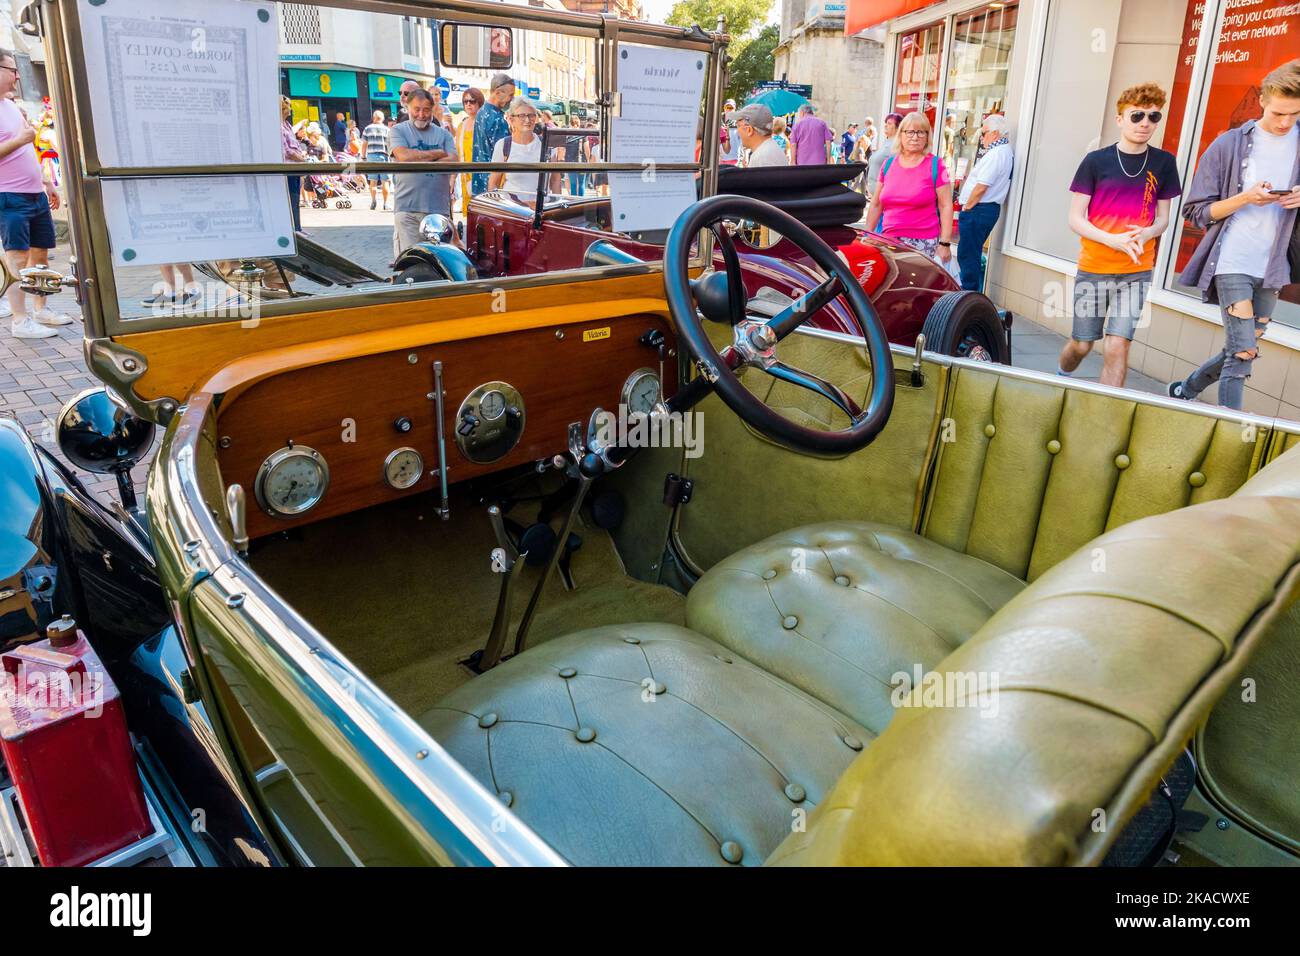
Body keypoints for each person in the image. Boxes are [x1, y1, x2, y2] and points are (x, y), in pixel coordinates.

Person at [1169, 59, 1300, 409]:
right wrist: (1244, 198)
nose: (1286, 122)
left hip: (1273, 268)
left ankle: (1185, 390)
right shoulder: (1228, 145)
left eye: (1294, 114)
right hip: (1232, 261)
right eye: (1278, 113)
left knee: (1240, 349)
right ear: (1262, 101)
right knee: (1243, 352)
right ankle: (1231, 431)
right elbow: (1196, 211)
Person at [1057, 83, 1181, 388]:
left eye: (1154, 117)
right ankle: (1061, 376)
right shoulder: (1096, 161)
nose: (1145, 124)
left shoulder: (1164, 162)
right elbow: (1075, 218)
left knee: (1117, 345)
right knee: (1082, 345)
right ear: (1120, 119)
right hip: (1096, 267)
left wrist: (1149, 231)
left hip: (1137, 270)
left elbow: (1164, 218)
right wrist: (1112, 239)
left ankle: (1105, 414)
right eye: (1137, 116)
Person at [0, 49, 70, 338]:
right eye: (12, 69)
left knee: (40, 254)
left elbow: (30, 147)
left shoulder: (11, 106)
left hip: (35, 194)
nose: (18, 76)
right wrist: (19, 139)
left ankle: (41, 309)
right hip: (9, 196)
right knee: (16, 259)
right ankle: (20, 320)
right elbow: (22, 141)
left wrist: (46, 181)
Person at [863, 111, 954, 270]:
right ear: (901, 135)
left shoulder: (935, 165)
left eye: (921, 132)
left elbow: (946, 205)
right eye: (910, 131)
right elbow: (876, 204)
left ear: (927, 137)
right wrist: (868, 234)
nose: (915, 136)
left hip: (922, 244)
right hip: (889, 241)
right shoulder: (889, 164)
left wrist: (945, 243)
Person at [389, 88, 458, 257]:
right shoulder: (398, 131)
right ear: (408, 108)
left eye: (426, 109)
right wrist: (437, 154)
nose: (421, 114)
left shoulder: (443, 134)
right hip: (408, 209)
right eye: (417, 109)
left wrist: (417, 158)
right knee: (410, 261)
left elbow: (454, 161)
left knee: (440, 261)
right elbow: (403, 156)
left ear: (433, 109)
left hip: (438, 209)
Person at [955, 114, 1014, 292]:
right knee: (970, 254)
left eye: (984, 132)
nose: (982, 137)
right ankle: (970, 293)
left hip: (978, 210)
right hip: (982, 210)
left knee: (967, 255)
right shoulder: (1001, 152)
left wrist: (967, 206)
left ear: (995, 133)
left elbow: (982, 187)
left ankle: (968, 296)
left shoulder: (997, 154)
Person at [488, 97, 562, 198]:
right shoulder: (503, 145)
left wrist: (557, 205)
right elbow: (493, 182)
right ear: (511, 119)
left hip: (542, 207)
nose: (527, 120)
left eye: (531, 115)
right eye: (522, 116)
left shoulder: (547, 145)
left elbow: (555, 180)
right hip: (514, 209)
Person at [472, 73, 515, 194]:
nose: (512, 99)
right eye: (510, 95)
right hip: (494, 184)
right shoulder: (497, 119)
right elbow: (505, 155)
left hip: (480, 180)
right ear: (498, 92)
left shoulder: (481, 112)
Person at [280, 96, 307, 232]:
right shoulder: (278, 126)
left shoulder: (287, 125)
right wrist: (301, 159)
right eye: (289, 105)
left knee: (296, 199)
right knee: (292, 198)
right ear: (283, 107)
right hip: (289, 167)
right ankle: (294, 230)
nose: (291, 108)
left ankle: (298, 228)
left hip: (296, 167)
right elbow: (286, 151)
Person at [734, 103, 786, 168]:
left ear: (749, 130)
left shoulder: (761, 158)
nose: (737, 132)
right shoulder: (769, 149)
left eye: (738, 126)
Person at [456, 87, 483, 212]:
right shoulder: (462, 125)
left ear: (479, 103)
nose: (468, 104)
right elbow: (457, 152)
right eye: (465, 101)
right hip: (465, 176)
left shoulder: (484, 122)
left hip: (482, 176)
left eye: (472, 101)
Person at [865, 112, 902, 201]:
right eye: (885, 123)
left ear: (898, 127)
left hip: (887, 198)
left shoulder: (897, 145)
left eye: (889, 123)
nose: (885, 126)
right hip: (877, 197)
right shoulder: (887, 143)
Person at [362, 110, 391, 211]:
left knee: (373, 181)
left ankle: (373, 200)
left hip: (371, 156)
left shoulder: (367, 129)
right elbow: (389, 145)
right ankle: (386, 203)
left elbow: (364, 144)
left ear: (373, 118)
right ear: (382, 118)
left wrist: (363, 157)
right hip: (384, 156)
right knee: (385, 181)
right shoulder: (387, 129)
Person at [720, 99, 740, 167]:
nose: (729, 109)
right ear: (724, 108)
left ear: (734, 109)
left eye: (731, 108)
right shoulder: (718, 121)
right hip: (720, 160)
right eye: (727, 107)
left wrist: (744, 157)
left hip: (735, 160)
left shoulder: (738, 122)